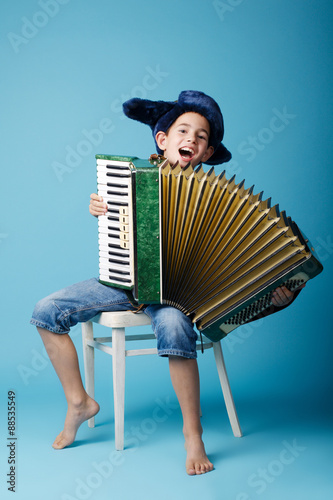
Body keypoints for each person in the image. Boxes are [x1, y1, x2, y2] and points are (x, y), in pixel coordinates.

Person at [31, 91, 300, 475]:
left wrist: (278, 296)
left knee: (174, 326)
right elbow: (118, 233)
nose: (191, 139)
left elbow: (243, 262)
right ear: (163, 139)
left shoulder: (215, 199)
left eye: (201, 136)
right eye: (183, 130)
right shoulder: (130, 178)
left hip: (174, 296)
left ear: (207, 153)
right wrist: (101, 208)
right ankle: (79, 402)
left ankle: (194, 435)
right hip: (125, 284)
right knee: (46, 310)